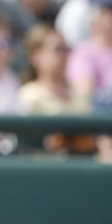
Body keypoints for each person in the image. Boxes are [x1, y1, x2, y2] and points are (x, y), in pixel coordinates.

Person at [18, 23, 95, 155]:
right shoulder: (28, 94)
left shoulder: (80, 92)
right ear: (36, 56)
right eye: (57, 49)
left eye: (66, 49)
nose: (64, 55)